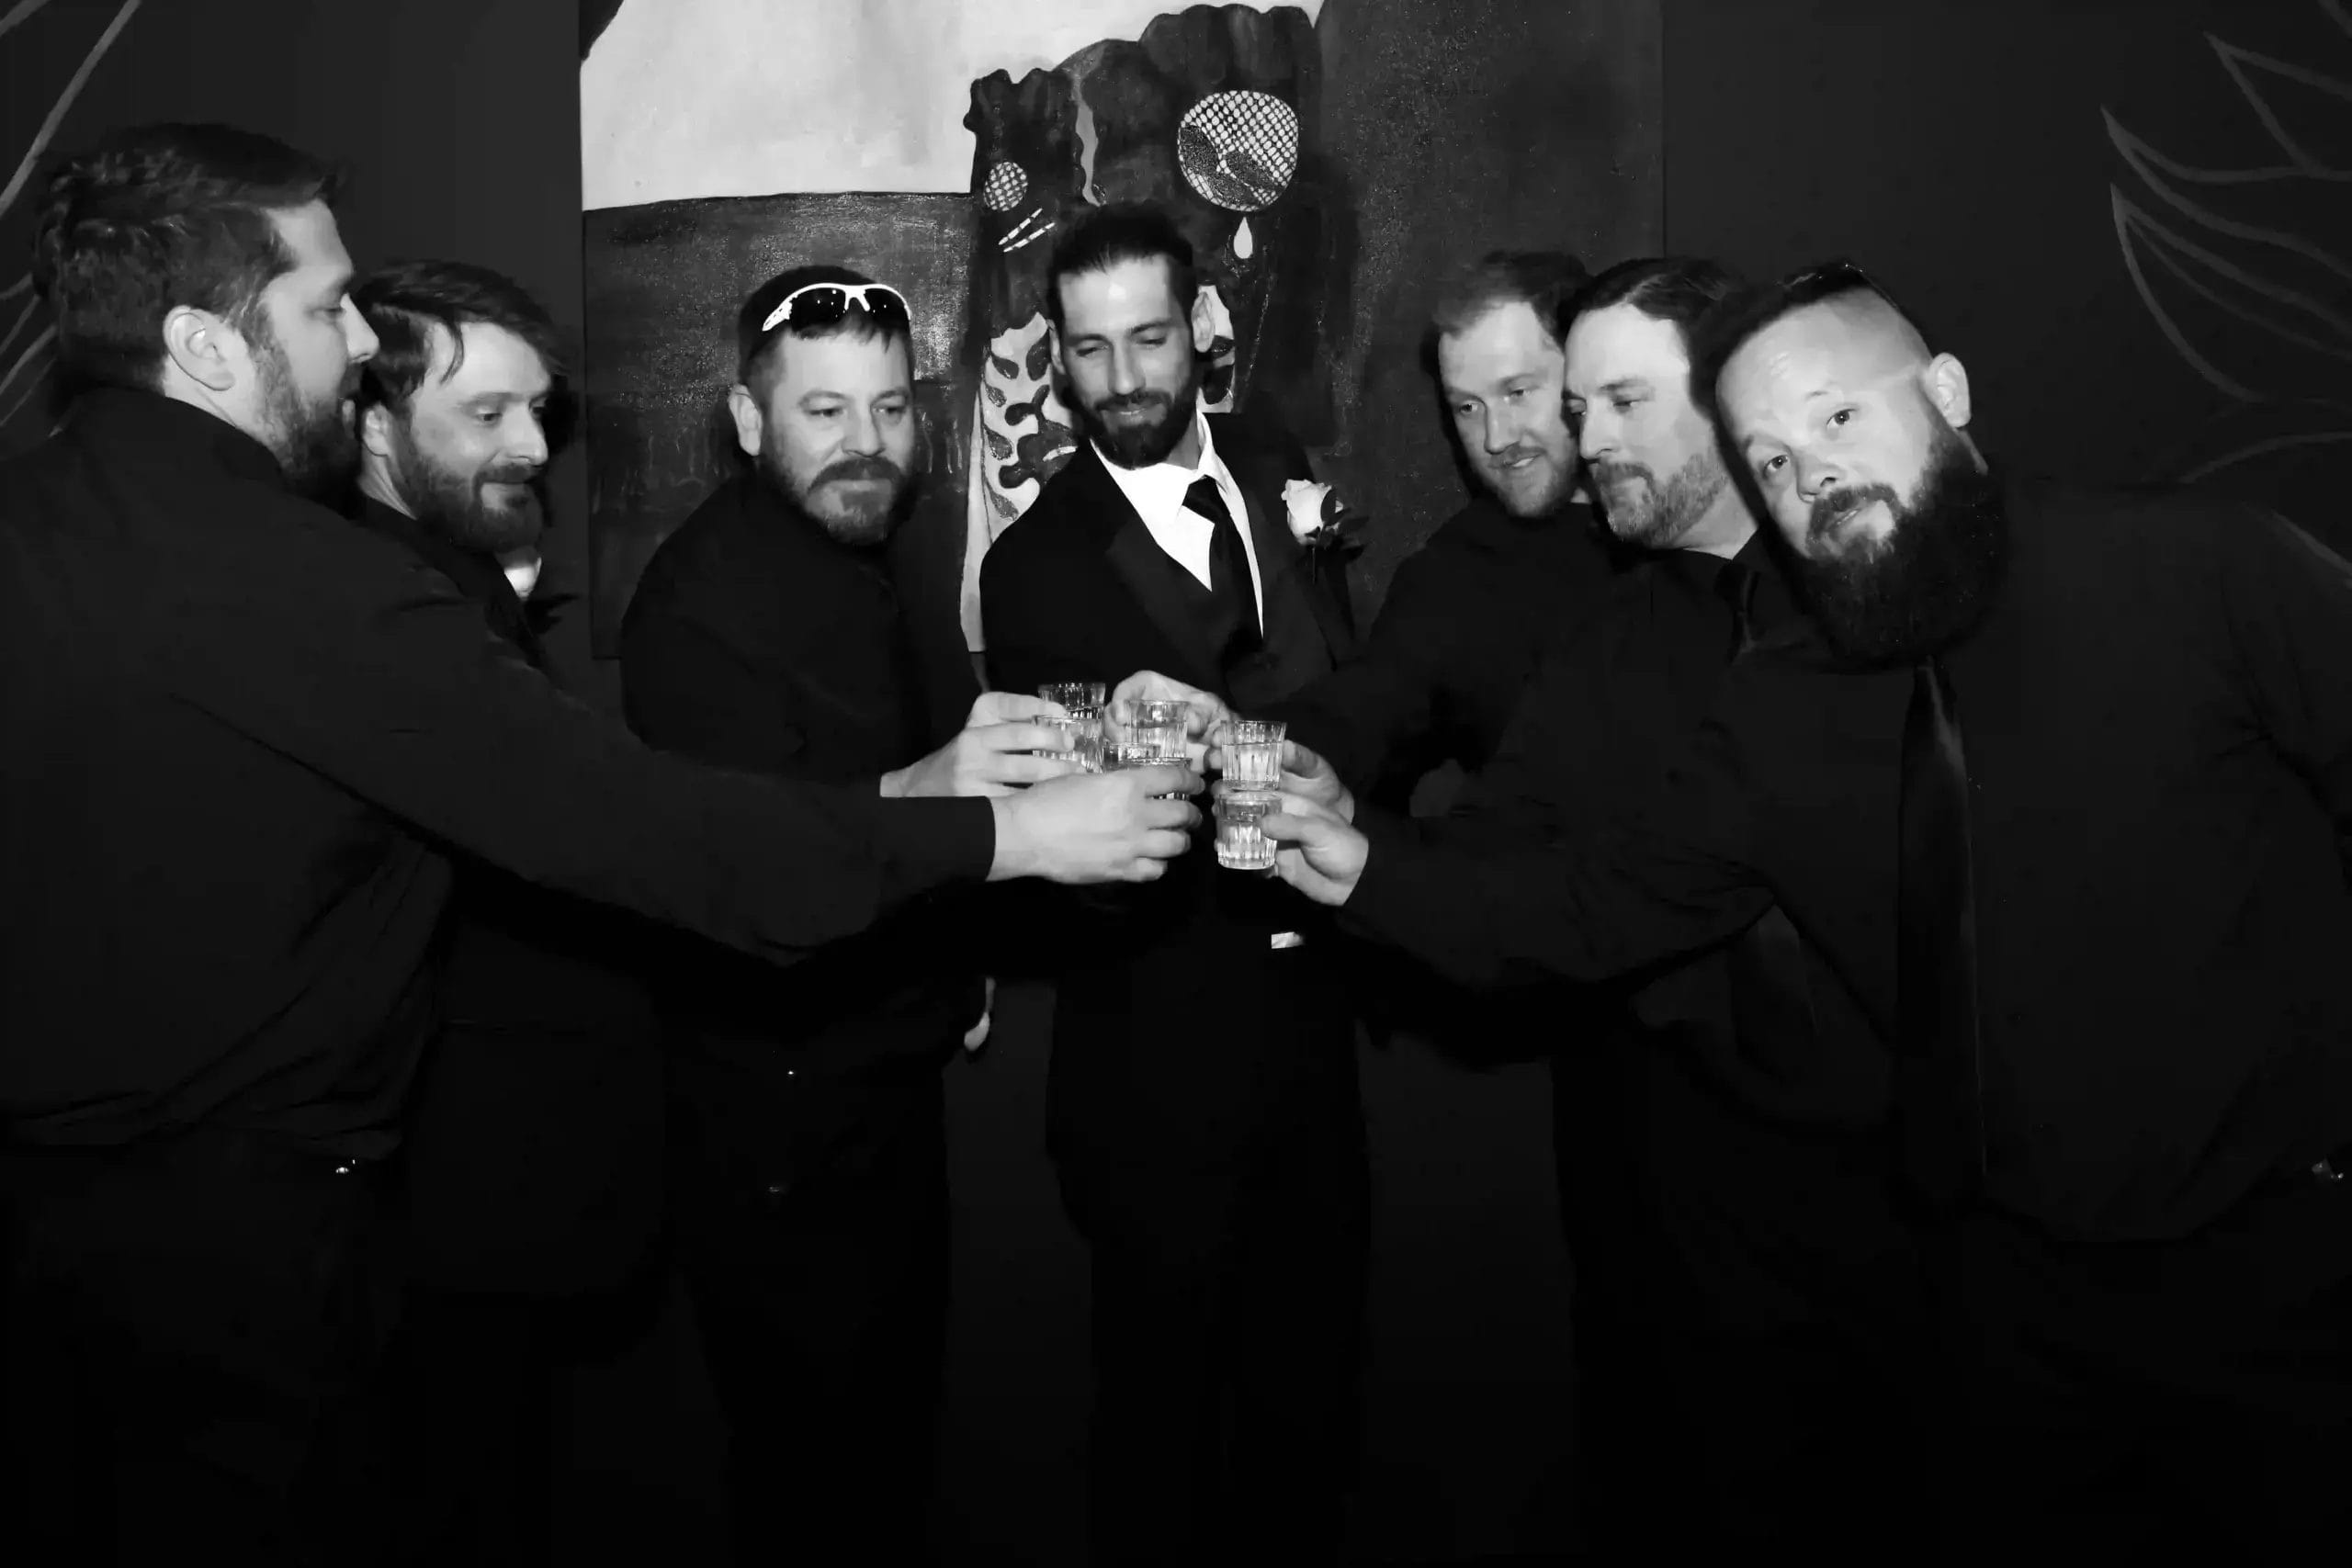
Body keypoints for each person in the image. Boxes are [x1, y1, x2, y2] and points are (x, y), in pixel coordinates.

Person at [0, 121, 1196, 1566]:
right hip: (250, 1274)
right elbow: (662, 837)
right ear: (203, 345)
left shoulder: (41, 527)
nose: (361, 335)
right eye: (324, 307)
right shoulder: (308, 588)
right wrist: (1001, 835)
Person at [1263, 259, 2352, 1559]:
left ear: (1945, 392)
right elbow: (1590, 906)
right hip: (2010, 1316)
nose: (1811, 474)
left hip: (2292, 1275)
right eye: (1772, 461)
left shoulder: (2199, 571)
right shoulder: (1781, 705)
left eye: (1837, 420)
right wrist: (1359, 864)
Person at [979, 202, 1363, 1565]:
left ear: (1201, 330)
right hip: (1152, 1068)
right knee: (1158, 1434)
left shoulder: (1274, 462)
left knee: (1312, 1412)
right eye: (1090, 352)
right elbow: (1064, 858)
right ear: (1060, 360)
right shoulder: (1032, 571)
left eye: (1149, 338)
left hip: (1321, 1048)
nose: (1125, 379)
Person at [617, 264, 1000, 1565]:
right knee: (807, 1475)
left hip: (886, 1088)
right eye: (824, 412)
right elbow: (750, 869)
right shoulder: (694, 605)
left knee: (892, 1454)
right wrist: (949, 807)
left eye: (891, 410)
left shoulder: (875, 547)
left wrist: (959, 955)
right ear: (744, 417)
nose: (867, 446)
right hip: (774, 1123)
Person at [342, 257, 664, 1565]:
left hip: (496, 1209)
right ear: (370, 420)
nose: (533, 446)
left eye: (539, 411)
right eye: (486, 416)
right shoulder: (380, 612)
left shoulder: (455, 588)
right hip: (443, 1215)